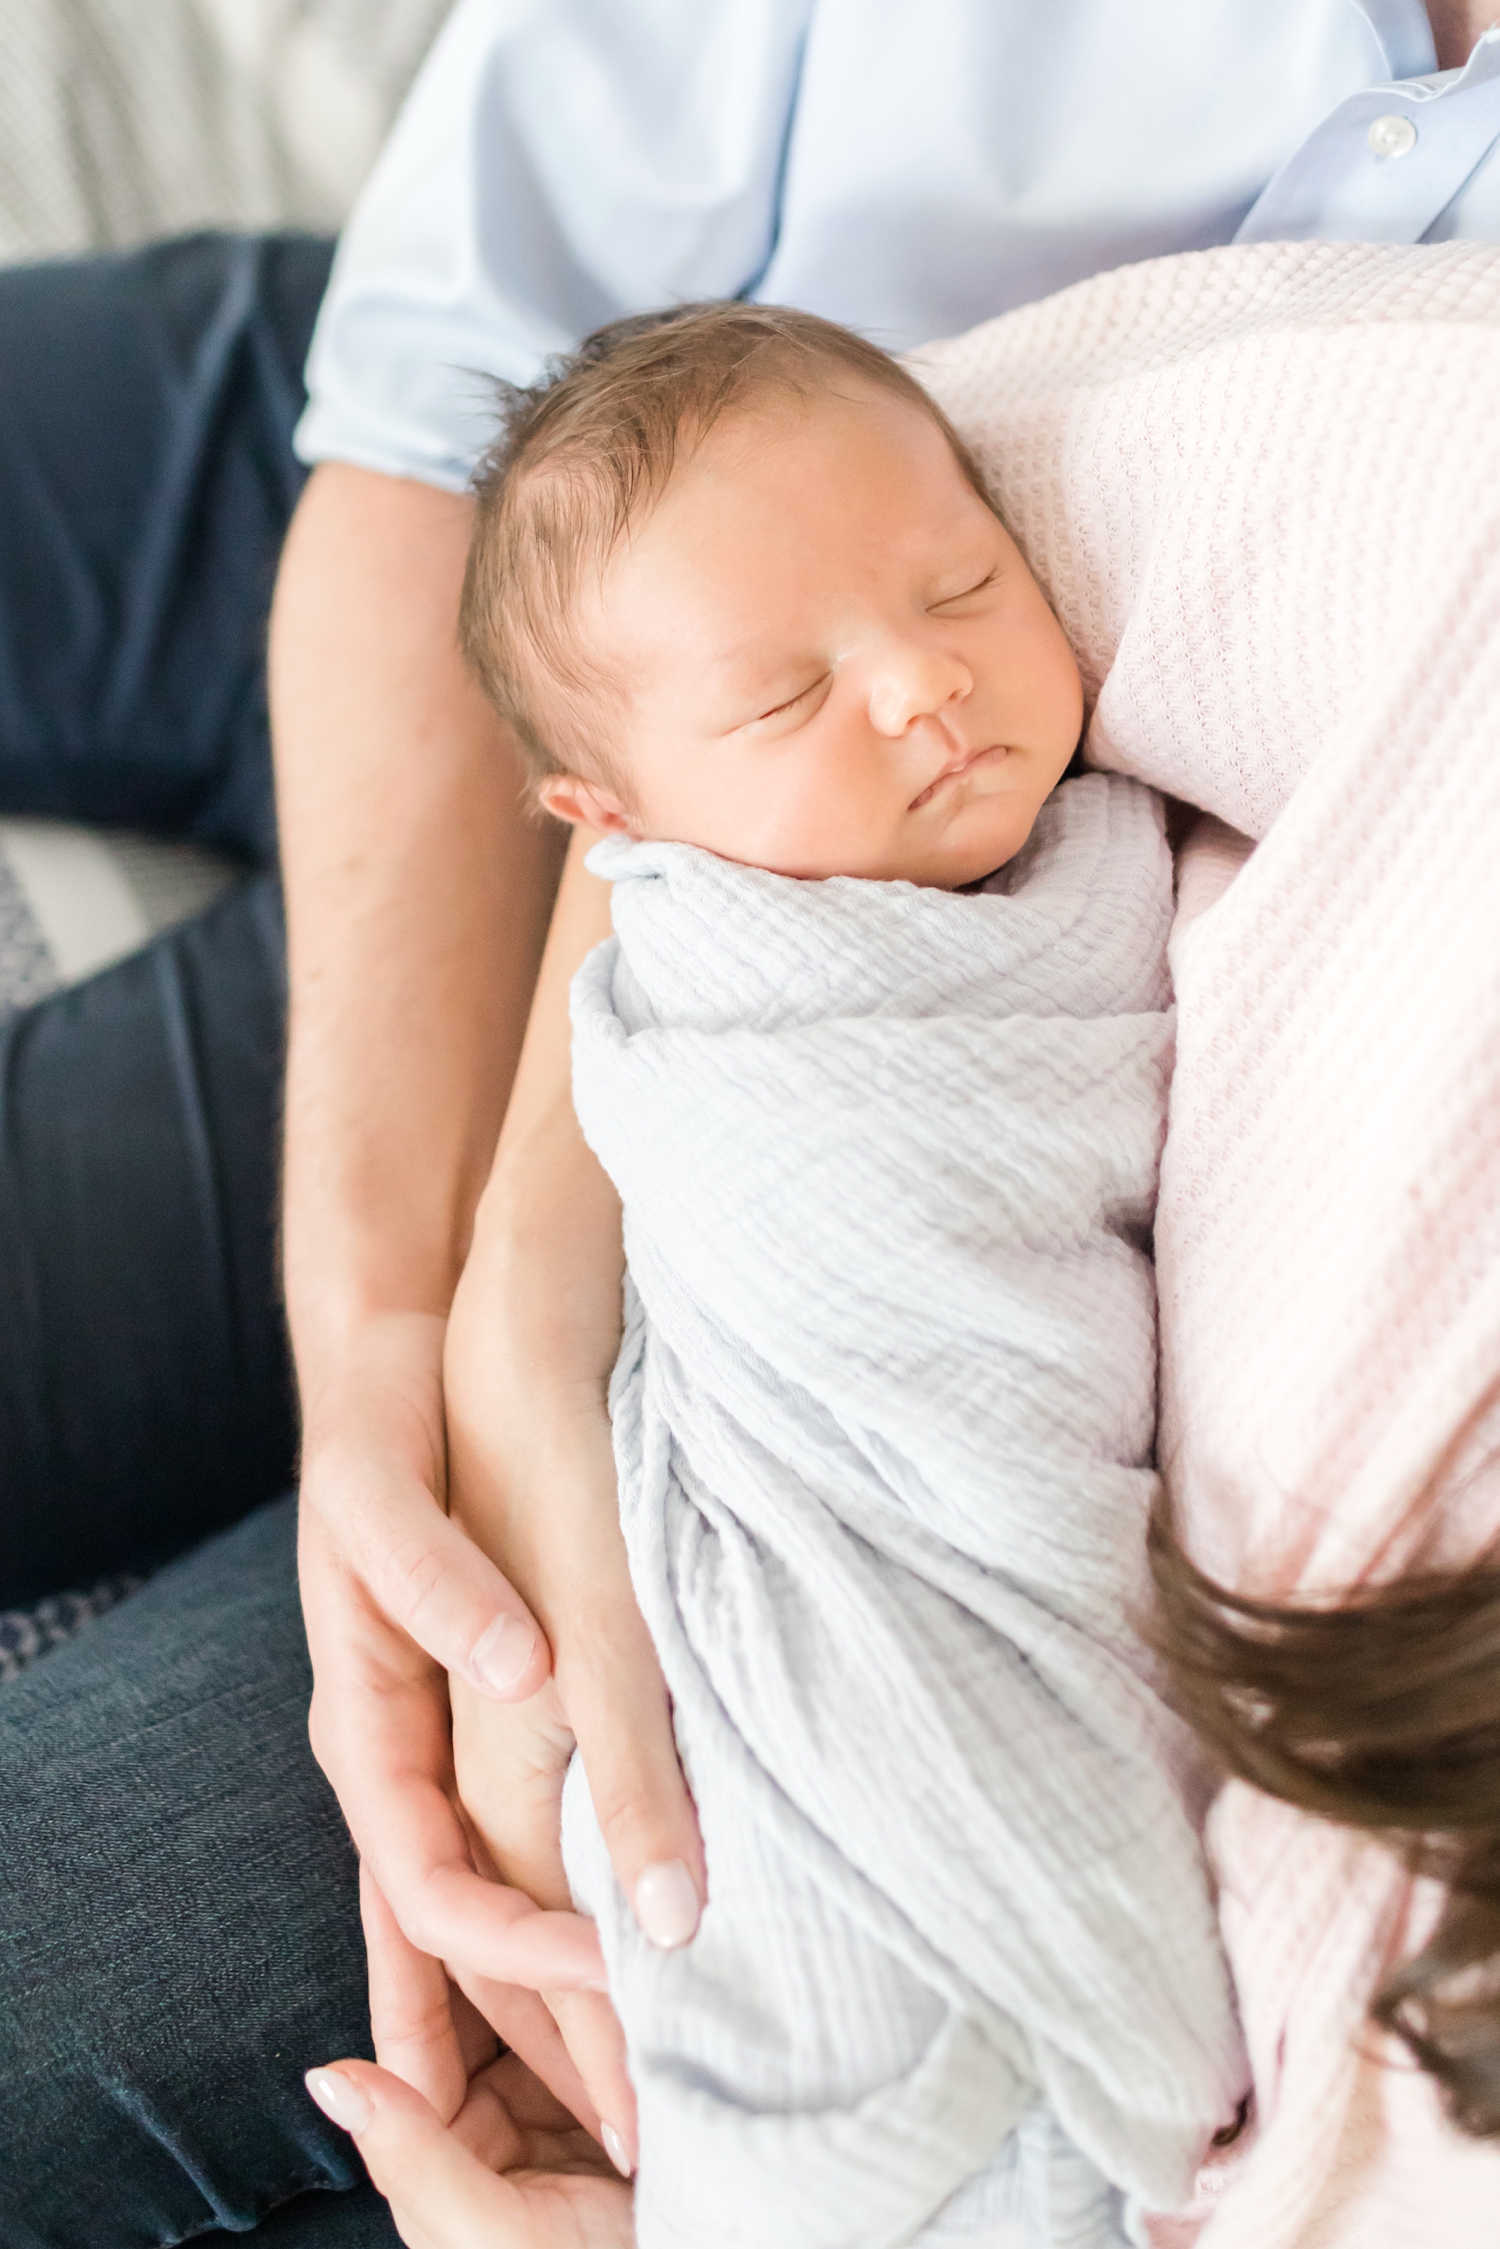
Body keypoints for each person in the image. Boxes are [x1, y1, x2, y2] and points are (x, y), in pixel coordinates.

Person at [5, 4, 1500, 2243]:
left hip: (938, 925)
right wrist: (413, 1327)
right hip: (550, 527)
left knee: (58, 1989)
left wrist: (555, 1354)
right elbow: (440, 399)